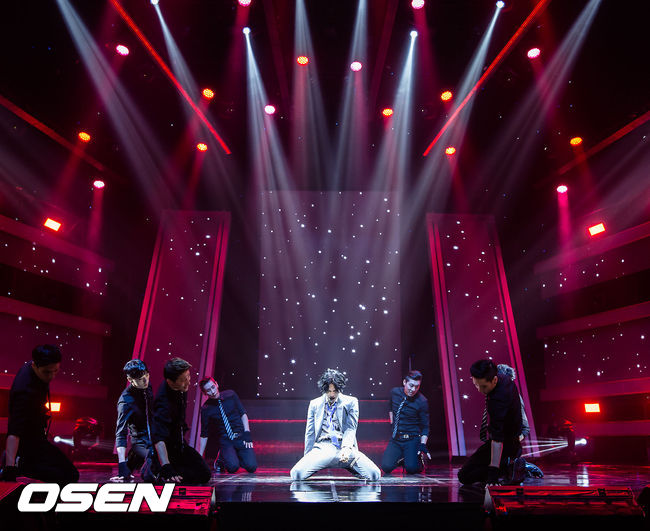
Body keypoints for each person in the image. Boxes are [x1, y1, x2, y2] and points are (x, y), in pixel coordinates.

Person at [0, 345, 79, 484]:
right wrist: (9, 468)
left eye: (55, 371)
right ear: (34, 366)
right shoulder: (23, 391)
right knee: (65, 476)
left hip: (38, 441)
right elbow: (14, 432)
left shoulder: (36, 368)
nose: (51, 376)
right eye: (47, 372)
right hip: (26, 447)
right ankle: (18, 464)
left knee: (71, 474)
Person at [290, 368, 380, 481]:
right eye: (329, 391)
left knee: (374, 474)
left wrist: (346, 448)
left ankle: (350, 466)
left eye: (335, 391)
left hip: (345, 446)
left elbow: (351, 428)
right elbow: (310, 432)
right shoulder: (314, 404)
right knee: (296, 474)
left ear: (340, 388)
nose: (332, 394)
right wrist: (307, 458)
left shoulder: (351, 402)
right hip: (322, 447)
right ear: (324, 389)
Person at [457, 359, 525, 486]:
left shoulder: (499, 399)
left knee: (465, 476)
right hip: (505, 440)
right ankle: (509, 466)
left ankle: (510, 467)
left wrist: (493, 474)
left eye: (483, 386)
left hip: (507, 444)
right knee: (466, 473)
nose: (479, 389)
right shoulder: (502, 378)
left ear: (494, 380)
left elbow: (497, 439)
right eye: (476, 384)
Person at [149, 357, 211, 484]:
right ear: (170, 381)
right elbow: (158, 437)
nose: (188, 382)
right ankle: (154, 466)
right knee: (177, 478)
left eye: (188, 376)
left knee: (204, 474)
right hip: (166, 448)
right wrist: (166, 466)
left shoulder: (182, 389)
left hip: (179, 444)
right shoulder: (163, 403)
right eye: (183, 380)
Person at [198, 377, 257, 473]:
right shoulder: (206, 408)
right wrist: (200, 456)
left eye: (213, 387)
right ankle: (222, 458)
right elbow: (204, 434)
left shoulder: (231, 395)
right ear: (205, 393)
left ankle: (234, 456)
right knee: (232, 468)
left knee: (252, 467)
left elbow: (243, 414)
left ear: (216, 384)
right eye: (208, 390)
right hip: (226, 440)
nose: (212, 392)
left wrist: (247, 433)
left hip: (240, 436)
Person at [381, 370, 430, 475]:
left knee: (411, 469)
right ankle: (404, 458)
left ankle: (413, 459)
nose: (413, 389)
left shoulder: (422, 401)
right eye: (411, 385)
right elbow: (390, 409)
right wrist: (392, 425)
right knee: (386, 467)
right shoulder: (394, 392)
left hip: (412, 439)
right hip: (396, 438)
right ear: (404, 382)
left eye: (417, 386)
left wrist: (422, 445)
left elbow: (425, 426)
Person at [112, 359, 154, 482]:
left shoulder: (147, 387)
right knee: (154, 465)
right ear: (130, 380)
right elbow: (121, 433)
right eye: (140, 379)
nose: (145, 381)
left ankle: (134, 461)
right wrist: (121, 465)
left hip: (154, 439)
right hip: (140, 443)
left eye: (147, 375)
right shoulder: (125, 401)